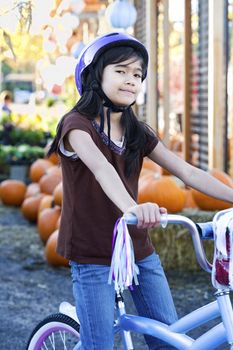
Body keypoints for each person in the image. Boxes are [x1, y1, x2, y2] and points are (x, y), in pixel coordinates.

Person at [47, 32, 233, 350]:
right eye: (120, 71)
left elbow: (188, 172)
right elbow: (102, 169)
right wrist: (131, 208)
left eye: (137, 74)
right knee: (100, 344)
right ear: (94, 76)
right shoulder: (76, 126)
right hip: (93, 253)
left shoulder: (137, 131)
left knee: (168, 340)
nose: (131, 79)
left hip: (138, 250)